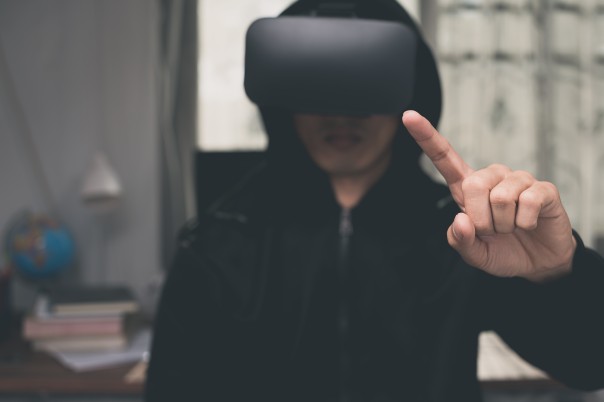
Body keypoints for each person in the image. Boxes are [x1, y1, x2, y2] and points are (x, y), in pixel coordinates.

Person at [145, 1, 604, 401]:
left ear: (410, 94)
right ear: (284, 100)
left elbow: (590, 363)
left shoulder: (463, 233)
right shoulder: (218, 243)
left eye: (365, 87)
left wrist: (559, 274)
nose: (341, 114)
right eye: (317, 88)